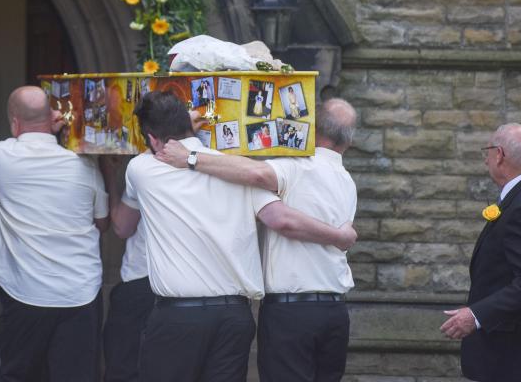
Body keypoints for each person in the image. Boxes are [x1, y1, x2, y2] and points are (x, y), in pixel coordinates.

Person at [112, 91, 356, 382]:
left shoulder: (142, 168)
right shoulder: (241, 171)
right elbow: (277, 217)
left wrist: (183, 130)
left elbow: (122, 224)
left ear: (152, 138)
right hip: (237, 318)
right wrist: (339, 236)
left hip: (179, 316)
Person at [0, 86, 109, 382]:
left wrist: (46, 127)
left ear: (14, 122)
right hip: (80, 291)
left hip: (24, 290)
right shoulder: (85, 166)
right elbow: (103, 224)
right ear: (53, 116)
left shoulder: (1, 157)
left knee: (19, 375)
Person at [440, 123, 521, 382]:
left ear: (499, 155)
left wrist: (476, 315)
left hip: (519, 356)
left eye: (487, 151)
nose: (485, 159)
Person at [100, 156, 153, 382]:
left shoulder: (145, 167)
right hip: (197, 288)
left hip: (143, 279)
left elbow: (122, 226)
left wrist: (110, 178)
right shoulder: (218, 164)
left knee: (125, 368)